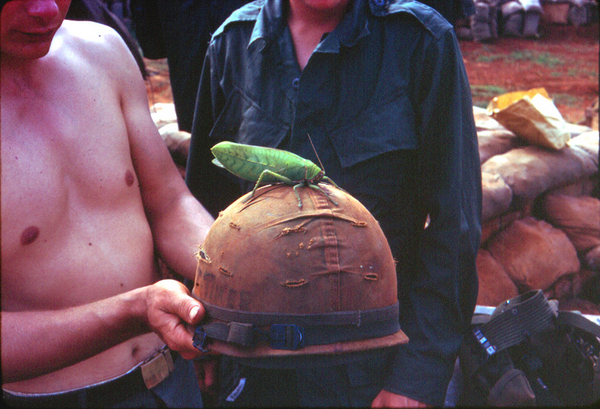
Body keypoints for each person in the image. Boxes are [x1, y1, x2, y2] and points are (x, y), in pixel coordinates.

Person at [185, 0, 482, 407]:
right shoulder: (231, 42)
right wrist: (206, 334)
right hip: (254, 363)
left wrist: (418, 373)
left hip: (372, 365)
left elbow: (455, 223)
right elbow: (203, 209)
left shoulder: (422, 40)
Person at [1, 0, 214, 407]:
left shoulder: (101, 49)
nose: (46, 9)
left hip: (172, 381)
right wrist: (134, 310)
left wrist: (241, 271)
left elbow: (168, 204)